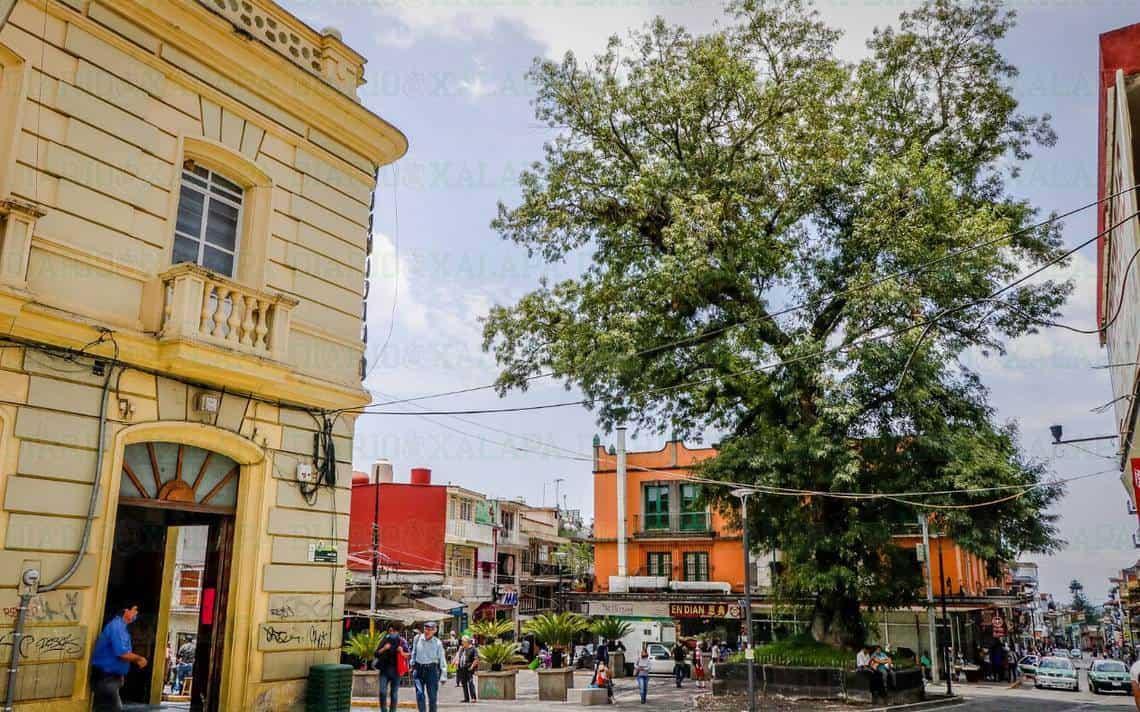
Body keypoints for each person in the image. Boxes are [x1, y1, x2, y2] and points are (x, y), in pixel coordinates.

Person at [91, 602, 148, 712]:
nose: (136, 614)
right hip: (106, 678)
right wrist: (139, 659)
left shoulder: (122, 628)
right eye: (134, 610)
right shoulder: (117, 627)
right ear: (126, 611)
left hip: (109, 678)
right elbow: (122, 653)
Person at [411, 621, 448, 712]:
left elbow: (442, 659)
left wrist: (443, 675)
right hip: (418, 669)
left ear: (434, 631)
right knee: (420, 694)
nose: (427, 631)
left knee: (432, 697)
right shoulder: (417, 638)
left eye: (430, 629)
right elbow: (414, 651)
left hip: (431, 671)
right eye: (426, 629)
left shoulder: (438, 643)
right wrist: (412, 663)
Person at [375, 623, 408, 712]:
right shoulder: (385, 640)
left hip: (396, 671)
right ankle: (384, 710)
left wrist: (401, 652)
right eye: (390, 631)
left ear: (397, 632)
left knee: (394, 694)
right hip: (384, 670)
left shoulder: (402, 642)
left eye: (393, 631)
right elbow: (376, 653)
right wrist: (384, 648)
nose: (392, 633)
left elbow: (408, 655)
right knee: (382, 692)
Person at [456, 636, 478, 703]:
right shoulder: (462, 649)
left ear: (467, 642)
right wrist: (457, 664)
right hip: (462, 668)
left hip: (469, 668)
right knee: (464, 683)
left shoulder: (473, 649)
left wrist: (472, 667)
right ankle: (466, 698)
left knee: (470, 682)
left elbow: (476, 659)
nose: (462, 643)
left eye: (463, 641)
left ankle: (473, 698)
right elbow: (459, 657)